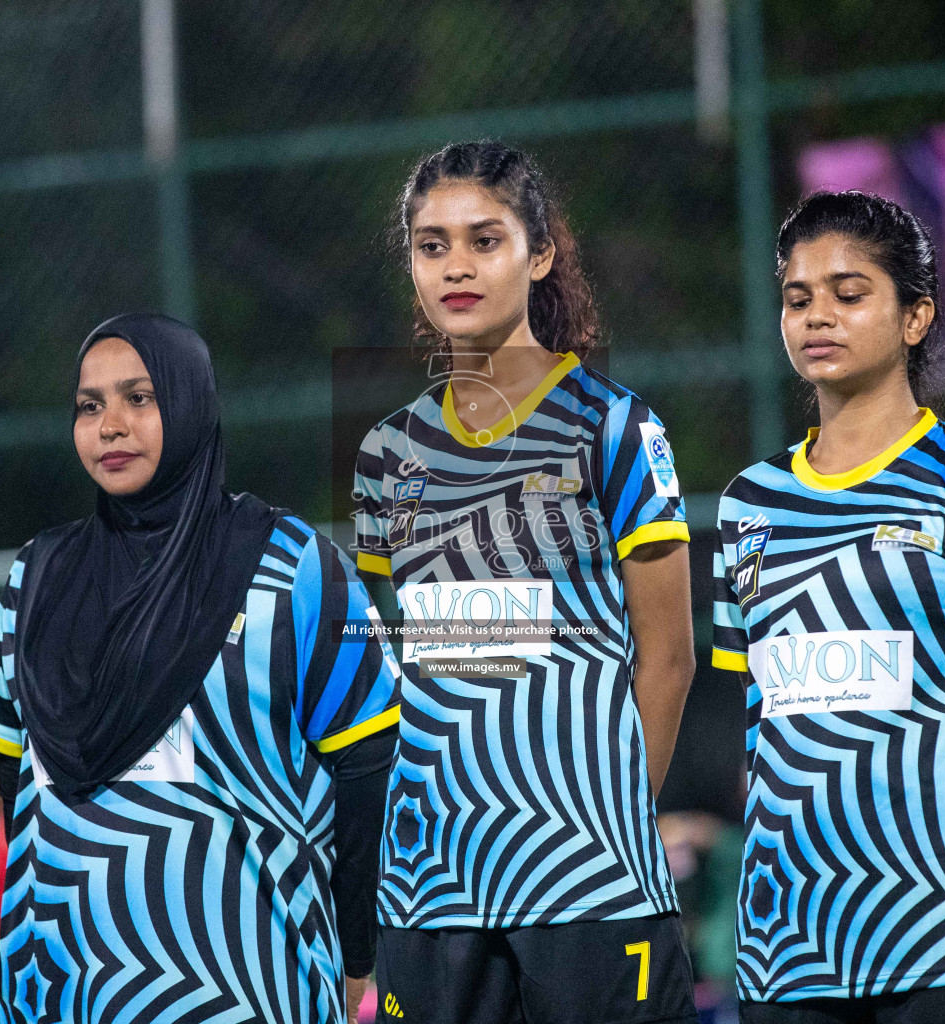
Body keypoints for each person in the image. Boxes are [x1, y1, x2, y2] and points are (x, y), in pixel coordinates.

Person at [714, 192, 945, 1022]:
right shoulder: (749, 505)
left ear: (915, 317)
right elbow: (760, 726)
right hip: (792, 949)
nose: (819, 317)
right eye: (799, 297)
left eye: (850, 294)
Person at [355, 141, 699, 1024]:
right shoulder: (384, 457)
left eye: (484, 239)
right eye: (432, 246)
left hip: (587, 883)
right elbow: (387, 668)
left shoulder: (615, 428)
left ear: (538, 254)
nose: (456, 266)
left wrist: (614, 823)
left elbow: (668, 657)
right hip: (430, 888)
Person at [0, 313, 400, 1024]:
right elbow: (12, 784)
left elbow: (370, 770)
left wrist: (358, 952)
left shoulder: (296, 567)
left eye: (139, 398)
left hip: (244, 987)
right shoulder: (36, 574)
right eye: (89, 405)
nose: (110, 425)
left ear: (192, 401)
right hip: (57, 991)